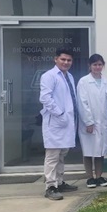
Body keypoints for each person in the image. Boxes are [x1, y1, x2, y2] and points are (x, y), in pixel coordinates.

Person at [38, 48, 79, 200]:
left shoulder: (69, 76)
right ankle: (50, 186)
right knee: (53, 156)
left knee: (62, 154)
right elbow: (45, 98)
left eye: (69, 60)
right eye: (63, 59)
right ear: (56, 59)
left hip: (67, 121)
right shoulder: (49, 76)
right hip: (55, 121)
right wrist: (60, 114)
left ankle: (59, 182)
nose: (66, 62)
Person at [76, 53, 107, 188]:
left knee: (100, 151)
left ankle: (99, 176)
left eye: (100, 64)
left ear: (103, 66)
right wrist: (88, 121)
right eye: (95, 65)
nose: (97, 67)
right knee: (88, 151)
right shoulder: (84, 81)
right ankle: (90, 177)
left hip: (103, 122)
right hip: (89, 123)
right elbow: (82, 102)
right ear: (89, 66)